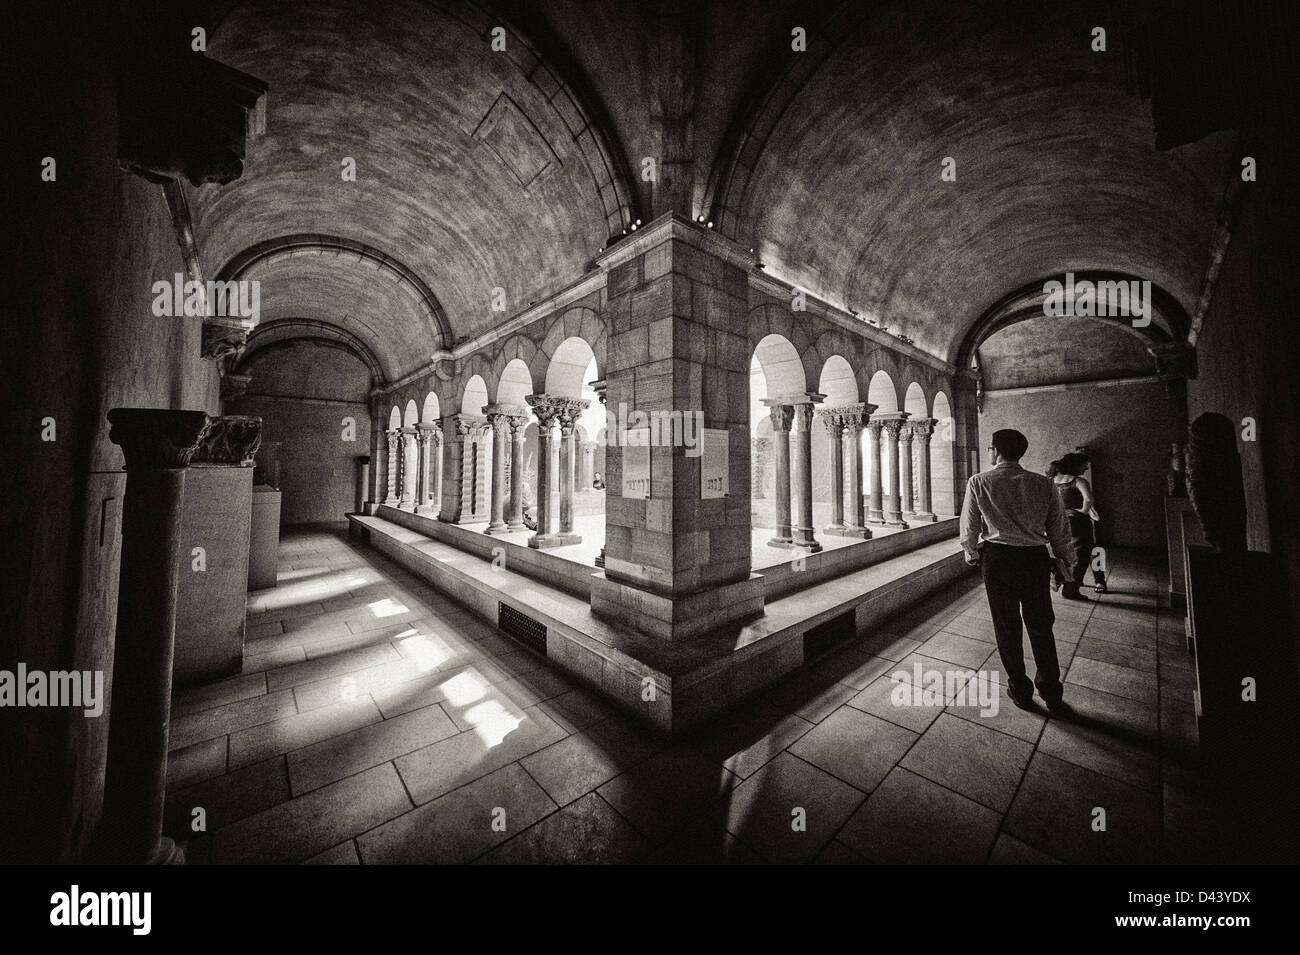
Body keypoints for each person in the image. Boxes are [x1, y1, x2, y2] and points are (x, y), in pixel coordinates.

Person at [960, 429, 1075, 713]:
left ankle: (1020, 689)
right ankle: (1051, 690)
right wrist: (1065, 563)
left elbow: (969, 528)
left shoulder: (979, 482)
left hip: (998, 560)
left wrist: (972, 554)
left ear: (994, 450)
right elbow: (1059, 529)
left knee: (1006, 625)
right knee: (1040, 624)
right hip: (1034, 559)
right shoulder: (1043, 484)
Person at [1048, 451, 1106, 598]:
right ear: (1076, 466)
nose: (1086, 469)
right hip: (1077, 521)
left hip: (1058, 521)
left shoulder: (1051, 480)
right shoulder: (1078, 481)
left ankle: (1060, 576)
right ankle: (1092, 582)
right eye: (1084, 466)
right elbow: (1088, 499)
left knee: (1064, 552)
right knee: (1091, 551)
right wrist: (1083, 511)